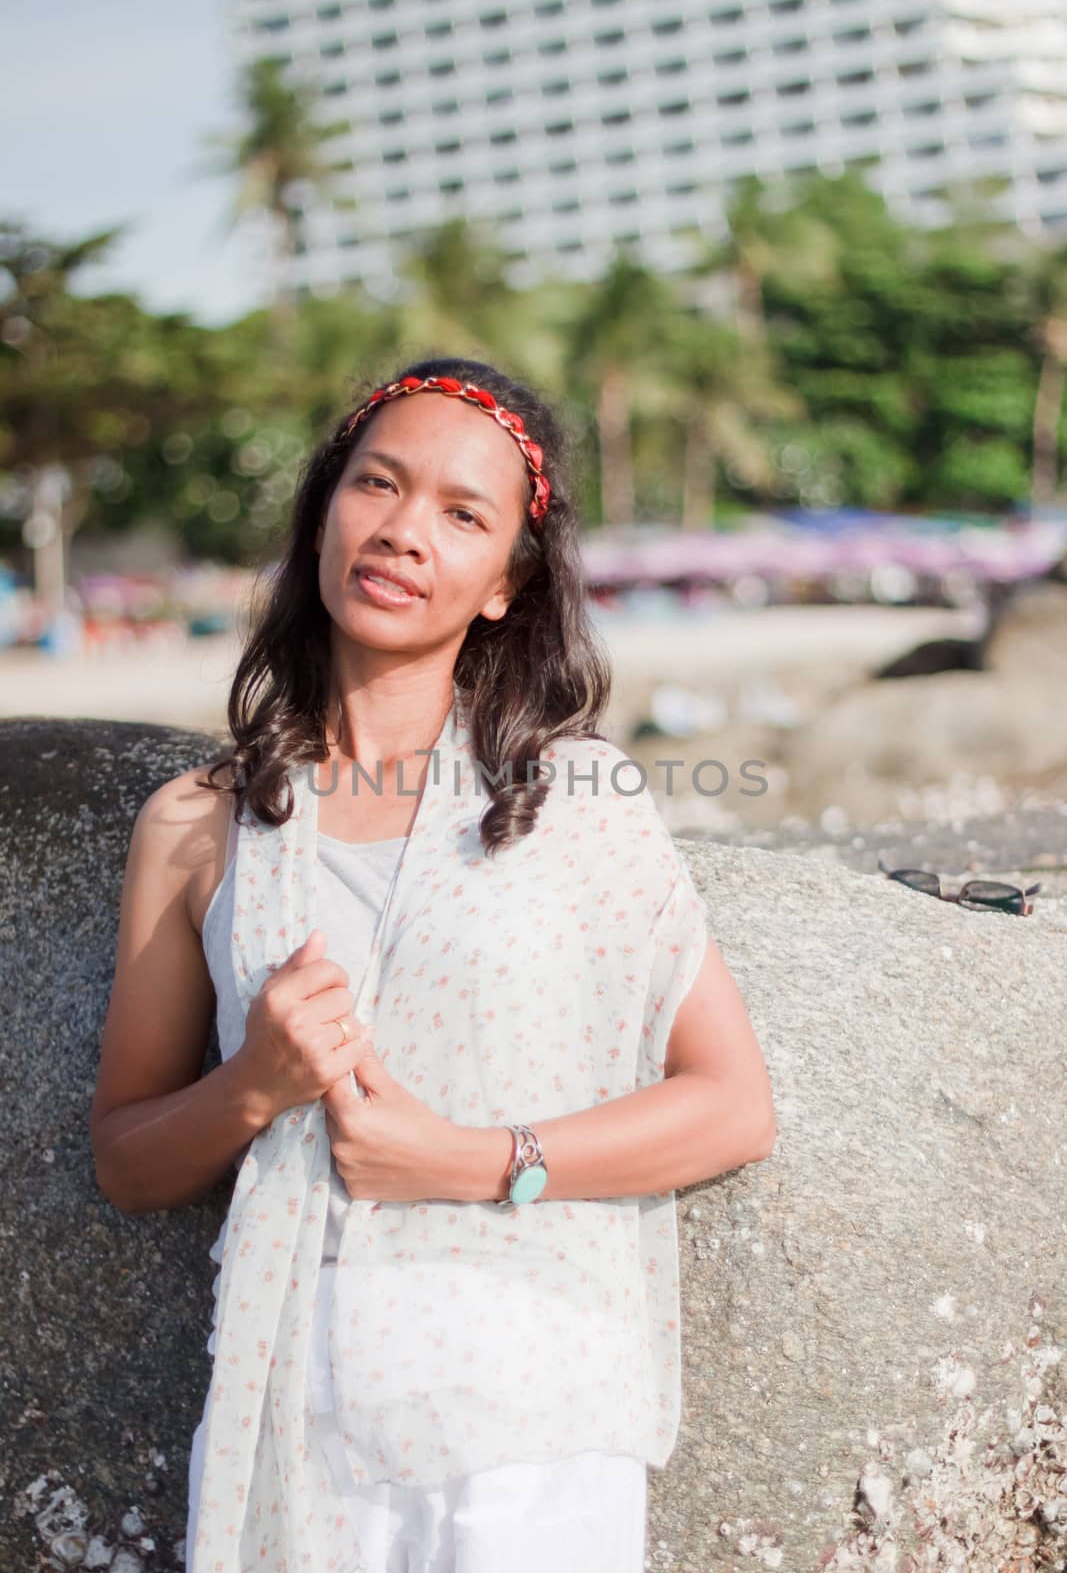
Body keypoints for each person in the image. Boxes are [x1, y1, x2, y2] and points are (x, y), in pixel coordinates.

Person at [90, 355, 777, 1573]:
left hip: (531, 1423)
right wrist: (257, 1081)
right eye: (378, 486)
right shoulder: (198, 825)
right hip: (293, 1417)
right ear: (323, 514)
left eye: (463, 515)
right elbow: (130, 1159)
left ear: (507, 582)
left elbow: (730, 1105)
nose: (406, 532)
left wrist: (464, 1160)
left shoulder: (578, 798)